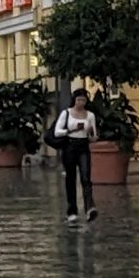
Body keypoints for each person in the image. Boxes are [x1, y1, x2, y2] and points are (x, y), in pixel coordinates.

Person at [52, 81, 98, 221]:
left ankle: (89, 207)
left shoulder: (90, 116)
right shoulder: (66, 113)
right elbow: (57, 132)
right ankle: (72, 210)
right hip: (70, 145)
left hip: (84, 146)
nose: (81, 103)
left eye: (83, 100)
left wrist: (91, 133)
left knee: (85, 177)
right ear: (74, 100)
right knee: (70, 178)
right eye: (78, 100)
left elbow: (94, 137)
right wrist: (70, 130)